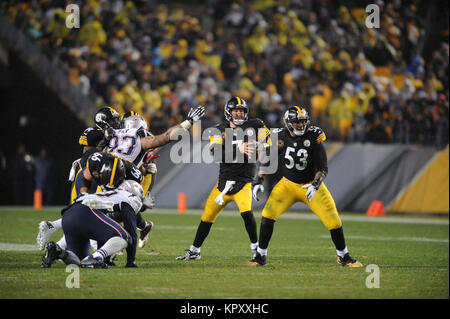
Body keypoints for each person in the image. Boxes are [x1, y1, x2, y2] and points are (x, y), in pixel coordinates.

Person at [37, 105, 206, 250]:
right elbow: (166, 137)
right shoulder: (138, 139)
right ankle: (101, 246)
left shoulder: (109, 135)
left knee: (89, 210)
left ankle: (58, 238)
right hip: (116, 175)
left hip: (97, 171)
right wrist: (188, 122)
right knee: (110, 213)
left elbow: (90, 155)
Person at [251, 106, 362, 267]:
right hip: (288, 185)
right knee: (268, 214)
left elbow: (323, 167)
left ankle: (343, 256)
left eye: (303, 121)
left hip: (311, 185)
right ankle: (260, 256)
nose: (301, 125)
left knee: (334, 221)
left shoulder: (314, 135)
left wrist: (315, 185)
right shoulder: (278, 136)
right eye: (296, 122)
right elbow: (267, 160)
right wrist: (258, 181)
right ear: (288, 123)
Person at [176, 96, 270, 261]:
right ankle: (194, 250)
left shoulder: (255, 125)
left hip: (244, 182)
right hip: (223, 183)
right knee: (207, 217)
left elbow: (269, 141)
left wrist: (262, 145)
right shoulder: (217, 130)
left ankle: (256, 250)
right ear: (229, 112)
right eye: (236, 111)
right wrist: (239, 149)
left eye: (242, 111)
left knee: (247, 213)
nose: (239, 114)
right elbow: (217, 154)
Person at [41, 179, 145, 268]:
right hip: (85, 212)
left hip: (69, 213)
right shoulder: (130, 198)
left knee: (79, 261)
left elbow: (102, 233)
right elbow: (132, 232)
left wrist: (106, 259)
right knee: (126, 237)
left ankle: (58, 251)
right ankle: (95, 257)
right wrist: (131, 261)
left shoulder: (111, 195)